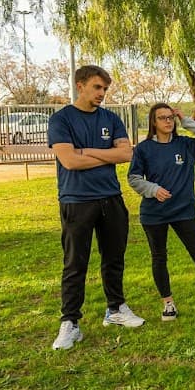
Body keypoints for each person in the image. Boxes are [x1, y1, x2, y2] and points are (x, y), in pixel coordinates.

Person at [48, 65, 144, 350]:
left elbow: (126, 154)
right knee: (75, 263)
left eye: (105, 89)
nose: (102, 93)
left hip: (110, 198)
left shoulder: (111, 118)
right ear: (80, 86)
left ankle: (115, 309)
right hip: (76, 200)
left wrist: (87, 151)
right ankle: (70, 323)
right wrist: (106, 155)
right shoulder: (61, 119)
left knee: (114, 258)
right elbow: (69, 161)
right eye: (97, 87)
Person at [128, 104, 195, 320]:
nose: (168, 121)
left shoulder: (185, 145)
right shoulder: (144, 149)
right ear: (153, 122)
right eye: (162, 118)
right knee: (159, 257)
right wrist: (153, 190)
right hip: (154, 214)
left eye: (171, 117)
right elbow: (134, 178)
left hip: (183, 211)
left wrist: (186, 120)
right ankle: (168, 304)